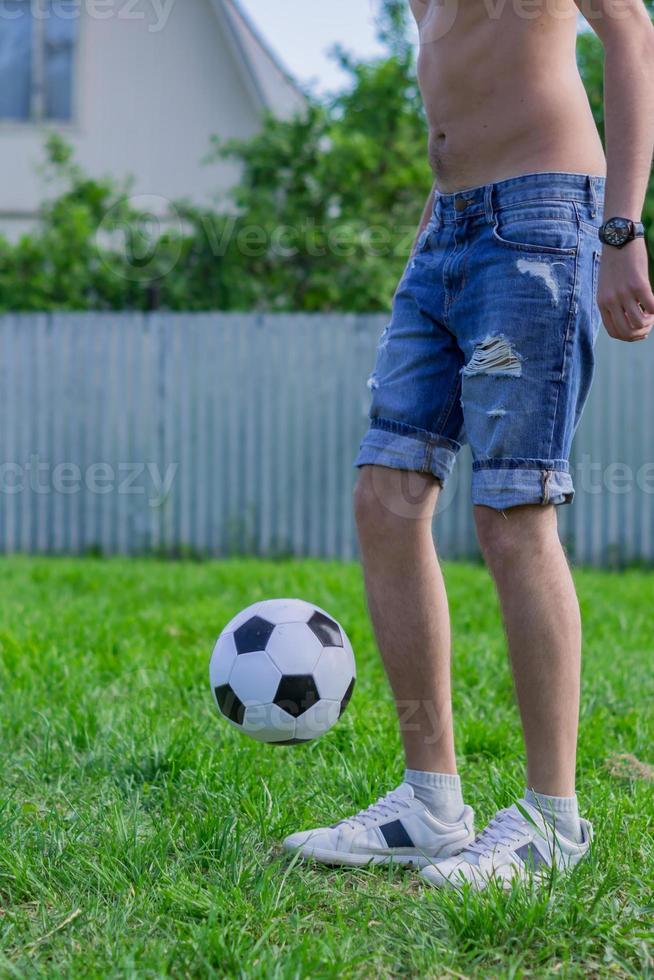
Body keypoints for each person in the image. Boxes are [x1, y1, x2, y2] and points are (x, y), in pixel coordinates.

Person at [283, 0, 654, 888]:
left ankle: (551, 820)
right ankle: (430, 802)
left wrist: (621, 228)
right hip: (445, 229)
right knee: (386, 498)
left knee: (513, 514)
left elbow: (632, 33)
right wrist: (428, 248)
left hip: (540, 217)